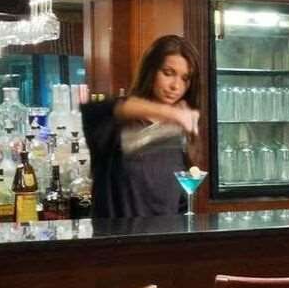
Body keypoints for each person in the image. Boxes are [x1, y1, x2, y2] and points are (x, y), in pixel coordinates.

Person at [81, 33, 203, 221]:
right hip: (118, 238)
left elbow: (180, 205)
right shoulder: (116, 126)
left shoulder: (181, 132)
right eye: (168, 73)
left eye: (185, 78)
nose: (175, 86)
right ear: (150, 70)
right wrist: (170, 113)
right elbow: (97, 109)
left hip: (166, 236)